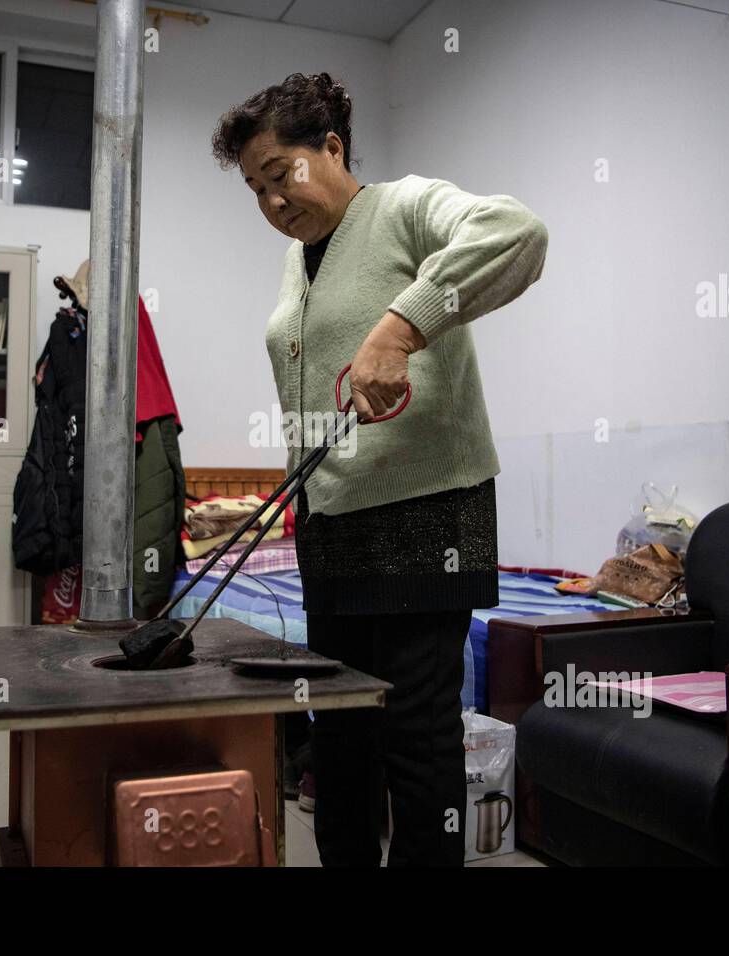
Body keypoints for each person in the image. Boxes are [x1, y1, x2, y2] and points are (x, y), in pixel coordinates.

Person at [210, 72, 548, 866]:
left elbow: (518, 232)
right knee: (341, 736)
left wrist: (402, 327)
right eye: (255, 190)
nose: (271, 202)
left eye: (279, 174)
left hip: (427, 515)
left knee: (417, 742)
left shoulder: (403, 207)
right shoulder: (302, 260)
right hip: (334, 526)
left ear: (331, 147)